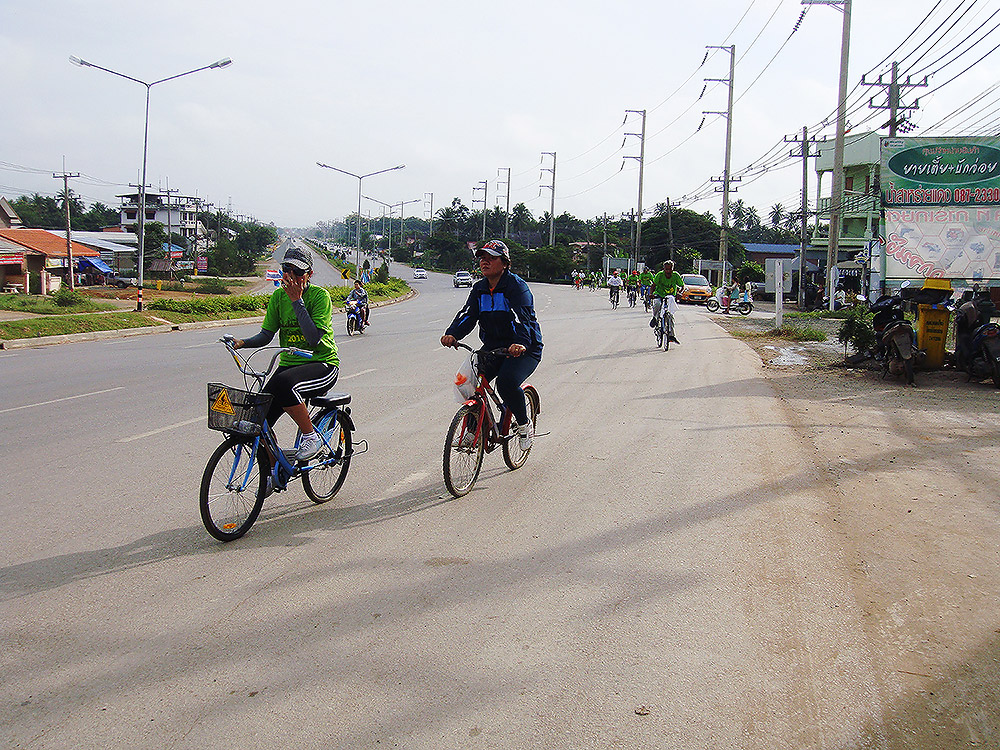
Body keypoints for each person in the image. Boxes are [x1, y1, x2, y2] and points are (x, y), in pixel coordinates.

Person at [230, 247, 339, 461]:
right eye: (287, 270)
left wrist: (297, 301)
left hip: (321, 364)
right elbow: (266, 335)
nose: (291, 276)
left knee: (283, 384)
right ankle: (273, 469)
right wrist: (242, 343)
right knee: (257, 418)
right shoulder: (278, 297)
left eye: (298, 272)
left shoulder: (319, 297)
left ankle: (310, 436)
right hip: (289, 366)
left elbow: (313, 339)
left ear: (309, 274)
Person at [441, 240, 543, 451]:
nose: (484, 262)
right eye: (482, 258)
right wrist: (452, 333)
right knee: (468, 380)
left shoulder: (516, 287)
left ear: (504, 263)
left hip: (525, 348)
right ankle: (472, 430)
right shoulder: (479, 289)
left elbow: (523, 319)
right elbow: (468, 315)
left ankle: (524, 425)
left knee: (506, 383)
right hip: (494, 347)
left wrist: (520, 343)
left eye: (491, 258)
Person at [649, 260, 684, 344]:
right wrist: (651, 294)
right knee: (657, 304)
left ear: (672, 269)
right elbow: (653, 285)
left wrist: (680, 293)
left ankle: (671, 335)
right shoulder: (659, 275)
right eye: (666, 269)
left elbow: (682, 286)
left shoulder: (676, 275)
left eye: (670, 269)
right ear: (663, 269)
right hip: (659, 294)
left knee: (670, 315)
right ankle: (655, 318)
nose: (668, 271)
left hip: (671, 296)